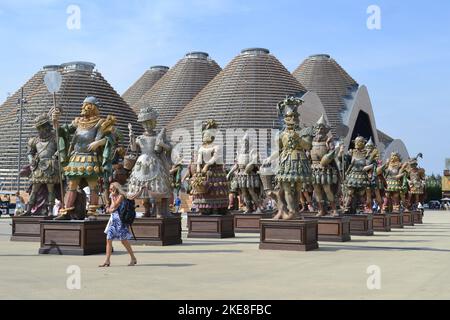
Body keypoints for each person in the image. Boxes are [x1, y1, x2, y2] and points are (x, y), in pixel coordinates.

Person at [99, 182, 137, 267]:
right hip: (113, 221)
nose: (110, 190)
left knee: (123, 241)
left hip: (120, 221)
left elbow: (113, 207)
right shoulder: (113, 196)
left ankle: (133, 258)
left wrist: (112, 200)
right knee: (108, 239)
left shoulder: (121, 196)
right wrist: (109, 207)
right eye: (109, 189)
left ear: (116, 189)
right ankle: (107, 260)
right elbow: (110, 209)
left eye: (112, 189)